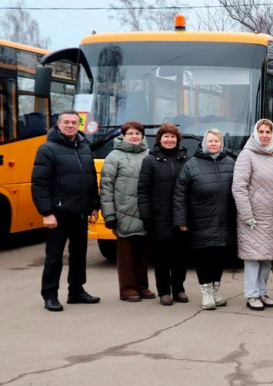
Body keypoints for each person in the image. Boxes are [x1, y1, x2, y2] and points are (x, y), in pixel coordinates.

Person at [31, 110, 101, 312]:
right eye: (66, 122)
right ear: (58, 124)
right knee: (54, 256)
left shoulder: (84, 147)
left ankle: (76, 291)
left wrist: (94, 205)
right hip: (58, 214)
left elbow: (89, 179)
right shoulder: (47, 149)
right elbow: (39, 183)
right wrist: (46, 213)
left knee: (79, 254)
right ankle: (50, 296)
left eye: (74, 122)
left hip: (80, 212)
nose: (70, 125)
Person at [173, 128, 236, 310]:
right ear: (204, 143)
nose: (213, 144)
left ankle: (216, 290)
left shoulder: (230, 163)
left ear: (221, 143)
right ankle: (206, 293)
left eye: (217, 141)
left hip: (224, 220)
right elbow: (180, 195)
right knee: (203, 257)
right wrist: (181, 220)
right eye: (210, 141)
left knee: (219, 257)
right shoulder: (191, 165)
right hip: (199, 220)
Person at [232, 119, 273, 311]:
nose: (264, 135)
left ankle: (262, 292)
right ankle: (252, 295)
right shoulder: (247, 156)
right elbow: (239, 187)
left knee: (267, 257)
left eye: (267, 132)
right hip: (253, 217)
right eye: (260, 131)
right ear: (255, 133)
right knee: (253, 258)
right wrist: (246, 215)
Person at [138, 123, 190, 306]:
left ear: (178, 139)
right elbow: (142, 190)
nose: (169, 140)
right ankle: (163, 291)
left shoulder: (185, 159)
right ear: (159, 139)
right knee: (161, 257)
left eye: (173, 137)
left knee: (180, 256)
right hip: (158, 216)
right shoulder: (150, 160)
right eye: (165, 137)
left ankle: (178, 289)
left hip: (181, 215)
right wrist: (146, 216)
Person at [100, 120, 151, 302]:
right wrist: (109, 214)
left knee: (143, 254)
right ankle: (128, 289)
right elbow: (106, 187)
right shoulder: (114, 156)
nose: (134, 137)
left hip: (144, 212)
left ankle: (143, 286)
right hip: (123, 213)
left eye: (137, 133)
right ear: (123, 136)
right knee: (127, 255)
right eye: (130, 134)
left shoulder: (149, 154)